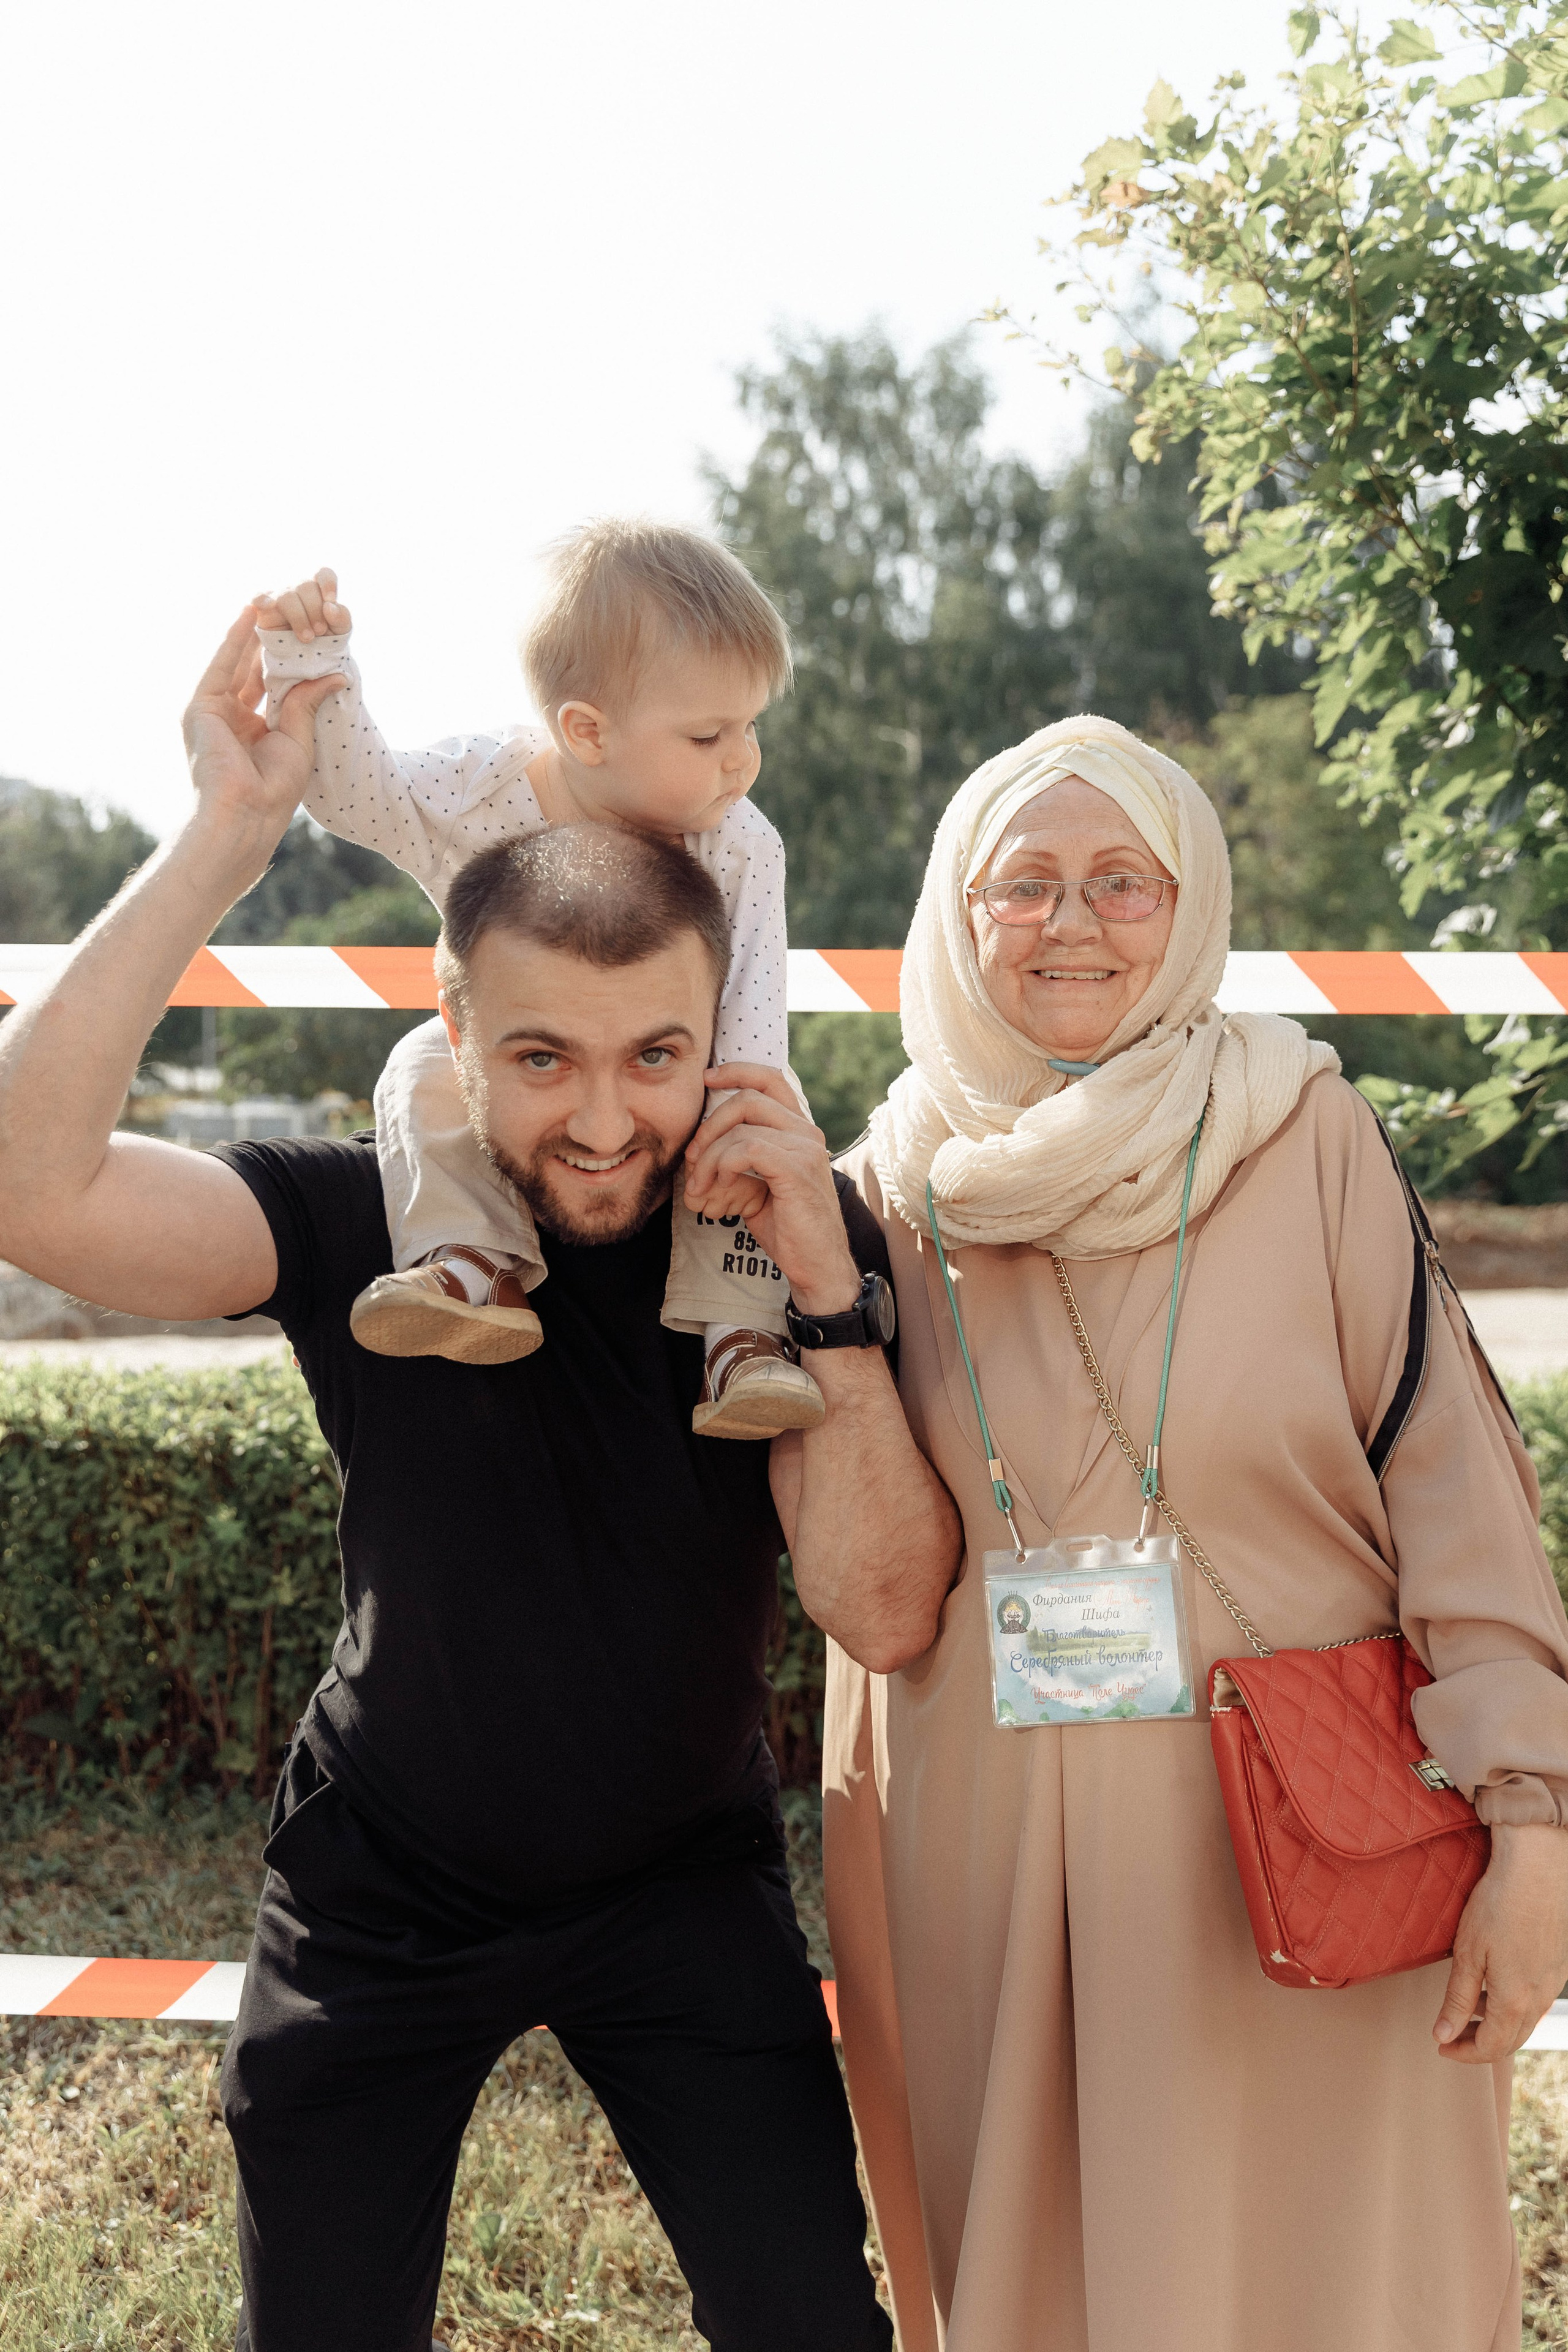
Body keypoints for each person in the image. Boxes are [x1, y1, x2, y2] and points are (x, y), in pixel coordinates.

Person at [0, 614, 962, 2352]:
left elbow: (886, 1610)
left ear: (722, 1031)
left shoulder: (783, 1252)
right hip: (387, 1879)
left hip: (681, 1878)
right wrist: (225, 838)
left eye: (654, 1056)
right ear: (451, 1034)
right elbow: (31, 1191)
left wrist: (829, 1292)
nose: (601, 1119)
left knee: (813, 2326)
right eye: (540, 1060)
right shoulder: (368, 1219)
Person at [823, 713, 1568, 2352]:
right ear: (956, 912)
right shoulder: (877, 1195)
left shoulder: (1303, 1133)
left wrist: (1536, 1824)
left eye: (1121, 881)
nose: (1071, 923)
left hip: (1300, 1850)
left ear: (1191, 904)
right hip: (990, 1864)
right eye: (1023, 884)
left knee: (1328, 2283)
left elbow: (1455, 1485)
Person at [252, 525, 821, 1441]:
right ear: (587, 731)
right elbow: (358, 800)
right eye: (709, 734)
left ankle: (742, 1337)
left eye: (750, 727)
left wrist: (735, 1125)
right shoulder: (481, 787)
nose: (742, 760)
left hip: (683, 1072)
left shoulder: (741, 840)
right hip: (508, 1064)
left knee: (761, 1097)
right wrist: (314, 664)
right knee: (423, 1060)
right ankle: (470, 1264)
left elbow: (753, 1010)